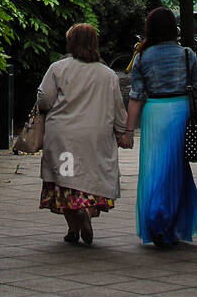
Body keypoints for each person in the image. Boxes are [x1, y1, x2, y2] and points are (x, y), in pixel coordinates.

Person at [121, 6, 197, 247]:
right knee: (177, 169)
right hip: (180, 111)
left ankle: (157, 220)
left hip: (155, 113)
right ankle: (172, 222)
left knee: (154, 169)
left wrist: (128, 131)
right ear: (174, 28)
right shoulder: (187, 54)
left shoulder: (142, 56)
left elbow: (136, 96)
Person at [37, 23, 128, 245]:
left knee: (66, 180)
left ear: (71, 43)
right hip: (95, 139)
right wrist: (122, 132)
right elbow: (118, 108)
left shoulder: (58, 68)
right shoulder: (108, 74)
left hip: (64, 138)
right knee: (88, 178)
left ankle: (73, 227)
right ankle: (85, 213)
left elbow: (44, 99)